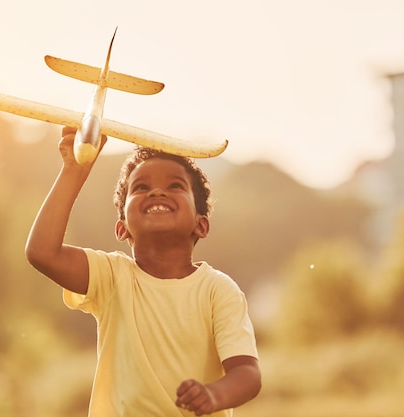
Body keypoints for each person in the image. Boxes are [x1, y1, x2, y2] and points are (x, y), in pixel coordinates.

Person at [25, 126, 261, 417]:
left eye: (175, 186)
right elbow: (42, 253)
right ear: (122, 227)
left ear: (201, 224)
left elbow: (248, 374)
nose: (157, 191)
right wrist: (74, 171)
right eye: (141, 188)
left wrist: (214, 394)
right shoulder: (112, 276)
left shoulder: (218, 290)